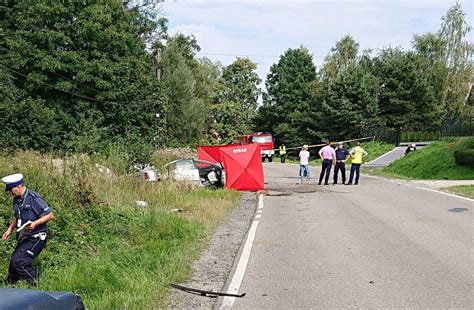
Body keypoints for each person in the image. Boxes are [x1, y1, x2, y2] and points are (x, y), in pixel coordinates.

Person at [1, 173, 54, 285]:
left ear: (19, 186)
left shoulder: (33, 198)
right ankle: (10, 286)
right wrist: (9, 230)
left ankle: (37, 283)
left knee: (20, 261)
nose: (10, 192)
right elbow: (17, 217)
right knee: (13, 265)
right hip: (25, 236)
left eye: (11, 189)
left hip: (37, 236)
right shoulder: (16, 199)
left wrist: (35, 223)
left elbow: (49, 215)